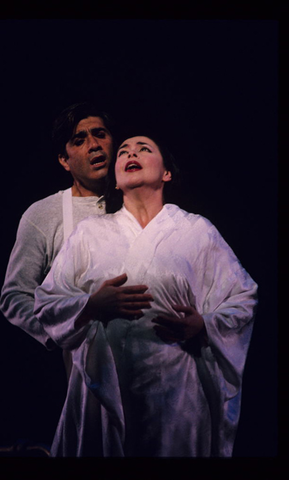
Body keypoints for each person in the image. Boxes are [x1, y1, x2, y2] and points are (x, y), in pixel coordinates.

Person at [34, 133, 258, 457]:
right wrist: (91, 304)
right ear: (115, 178)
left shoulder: (196, 231)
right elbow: (46, 300)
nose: (130, 153)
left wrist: (205, 325)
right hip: (102, 388)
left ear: (166, 172)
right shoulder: (90, 233)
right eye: (123, 151)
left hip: (176, 391)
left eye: (143, 149)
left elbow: (243, 296)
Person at [0, 103, 150, 378]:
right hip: (82, 370)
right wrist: (63, 331)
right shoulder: (44, 214)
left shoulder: (140, 203)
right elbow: (14, 295)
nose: (93, 145)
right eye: (79, 141)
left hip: (149, 364)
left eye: (100, 134)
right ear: (64, 160)